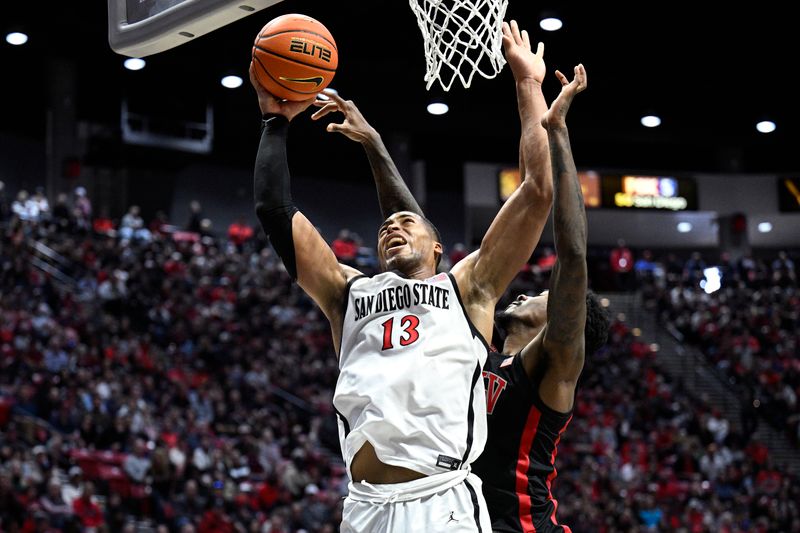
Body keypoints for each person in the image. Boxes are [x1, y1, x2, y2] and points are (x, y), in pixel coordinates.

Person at [250, 19, 552, 532]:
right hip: (364, 506)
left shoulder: (467, 287)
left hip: (441, 501)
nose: (393, 224)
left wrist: (528, 86)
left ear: (439, 247)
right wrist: (275, 119)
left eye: (407, 220)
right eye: (386, 224)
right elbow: (275, 210)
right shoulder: (347, 293)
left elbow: (538, 190)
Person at [471, 63, 611, 532]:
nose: (526, 291)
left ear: (556, 316)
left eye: (540, 293)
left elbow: (572, 255)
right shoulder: (480, 351)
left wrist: (558, 132)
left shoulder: (553, 364)